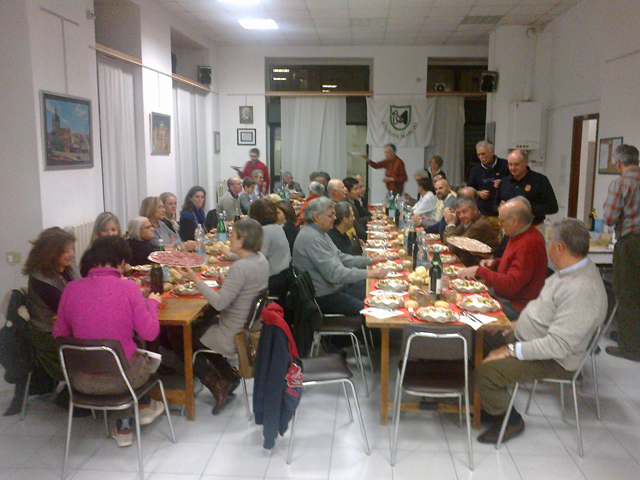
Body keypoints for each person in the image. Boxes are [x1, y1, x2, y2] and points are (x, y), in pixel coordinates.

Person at [475, 219, 607, 445]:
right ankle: (486, 403)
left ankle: (510, 420)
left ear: (559, 248)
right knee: (477, 338)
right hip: (532, 337)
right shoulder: (570, 270)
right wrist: (517, 325)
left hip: (556, 359)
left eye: (549, 242)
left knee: (486, 372)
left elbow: (558, 346)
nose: (548, 246)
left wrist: (510, 350)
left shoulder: (581, 288)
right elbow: (545, 311)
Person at [53, 236, 165, 447]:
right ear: (122, 262)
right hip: (123, 380)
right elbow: (150, 333)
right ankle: (141, 407)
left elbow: (59, 334)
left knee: (123, 355)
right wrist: (151, 304)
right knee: (144, 354)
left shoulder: (71, 289)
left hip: (80, 381)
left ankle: (127, 422)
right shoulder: (129, 288)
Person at [181, 218, 269, 414]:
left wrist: (196, 280)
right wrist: (226, 283)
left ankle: (219, 383)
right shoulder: (260, 260)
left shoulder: (240, 267)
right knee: (198, 325)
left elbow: (220, 303)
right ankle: (229, 375)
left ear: (242, 240)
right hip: (244, 327)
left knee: (181, 337)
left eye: (233, 234)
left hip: (231, 333)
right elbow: (242, 289)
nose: (229, 237)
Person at [292, 197, 387, 317]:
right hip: (324, 298)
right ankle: (372, 335)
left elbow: (340, 257)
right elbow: (336, 274)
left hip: (334, 289)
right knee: (372, 310)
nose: (335, 218)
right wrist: (370, 274)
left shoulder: (319, 232)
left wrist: (370, 260)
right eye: (331, 215)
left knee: (374, 295)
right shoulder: (312, 238)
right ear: (316, 217)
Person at [458, 197, 547, 320]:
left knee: (467, 313)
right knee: (464, 297)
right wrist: (495, 263)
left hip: (517, 306)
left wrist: (479, 271)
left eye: (501, 221)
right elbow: (513, 262)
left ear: (514, 221)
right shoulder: (518, 233)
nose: (499, 224)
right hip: (506, 296)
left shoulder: (529, 243)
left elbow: (510, 286)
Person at [22, 228, 80, 390]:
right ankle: (83, 389)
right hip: (48, 333)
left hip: (67, 325)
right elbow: (68, 310)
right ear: (50, 254)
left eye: (71, 250)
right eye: (66, 251)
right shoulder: (41, 280)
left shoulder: (67, 266)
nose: (72, 255)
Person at [603, 144, 640, 361]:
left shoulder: (621, 183)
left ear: (618, 163)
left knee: (627, 293)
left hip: (631, 242)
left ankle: (629, 347)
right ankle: (633, 338)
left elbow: (609, 217)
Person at [497, 149, 559, 226]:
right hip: (510, 228)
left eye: (516, 164)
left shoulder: (540, 180)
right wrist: (501, 208)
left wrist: (526, 210)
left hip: (534, 226)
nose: (513, 168)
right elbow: (495, 205)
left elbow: (553, 207)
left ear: (526, 162)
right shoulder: (504, 182)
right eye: (510, 164)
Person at [248, 198, 291, 305]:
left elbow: (258, 259)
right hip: (283, 277)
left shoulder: (265, 231)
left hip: (272, 281)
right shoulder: (277, 227)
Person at [443, 196, 499, 266]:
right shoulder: (468, 220)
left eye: (464, 212)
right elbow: (446, 242)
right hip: (468, 262)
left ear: (475, 209)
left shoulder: (479, 225)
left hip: (479, 266)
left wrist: (451, 224)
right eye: (458, 213)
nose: (461, 216)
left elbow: (452, 248)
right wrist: (449, 225)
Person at [467, 140, 509, 230]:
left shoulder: (505, 165)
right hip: (483, 213)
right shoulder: (475, 170)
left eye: (483, 154)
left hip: (501, 213)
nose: (481, 157)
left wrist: (503, 183)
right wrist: (478, 193)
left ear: (492, 152)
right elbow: (469, 189)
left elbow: (514, 184)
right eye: (478, 155)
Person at [343, 176, 367, 241]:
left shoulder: (353, 201)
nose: (358, 191)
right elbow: (356, 226)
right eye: (355, 189)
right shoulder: (347, 205)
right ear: (347, 191)